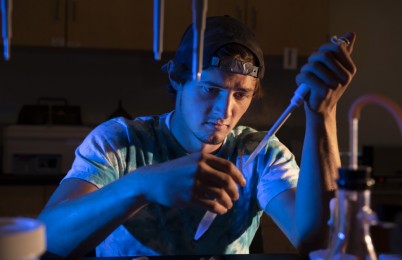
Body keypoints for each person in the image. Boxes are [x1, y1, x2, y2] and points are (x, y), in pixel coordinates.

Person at [38, 15, 356, 258]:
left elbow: (321, 243)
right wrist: (141, 185)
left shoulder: (259, 153)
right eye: (210, 89)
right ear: (177, 78)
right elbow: (47, 240)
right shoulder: (120, 142)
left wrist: (322, 114)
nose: (225, 110)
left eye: (240, 94)